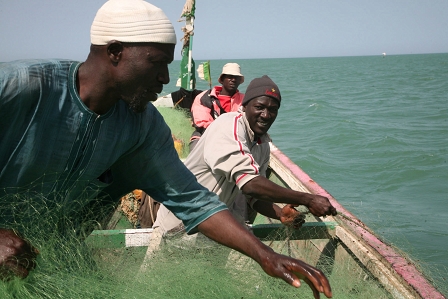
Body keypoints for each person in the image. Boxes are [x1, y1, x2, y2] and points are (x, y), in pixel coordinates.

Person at [0, 1, 333, 297]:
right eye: (156, 63)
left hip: (55, 260)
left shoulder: (143, 127)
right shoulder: (22, 89)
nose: (164, 78)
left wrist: (265, 255)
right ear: (115, 51)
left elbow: (196, 202)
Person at [154, 75, 337, 234]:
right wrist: (308, 199)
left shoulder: (263, 144)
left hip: (214, 227)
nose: (266, 115)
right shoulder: (229, 125)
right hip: (179, 225)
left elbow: (253, 196)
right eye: (259, 107)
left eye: (273, 110)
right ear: (244, 106)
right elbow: (250, 185)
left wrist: (280, 213)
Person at [189, 63, 245, 151]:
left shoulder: (245, 100)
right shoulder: (204, 98)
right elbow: (202, 123)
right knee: (196, 150)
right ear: (222, 80)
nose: (233, 80)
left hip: (237, 138)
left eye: (236, 77)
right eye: (229, 76)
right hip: (205, 136)